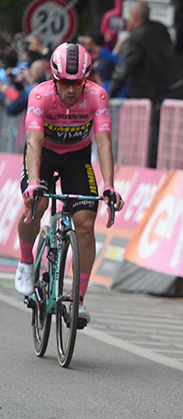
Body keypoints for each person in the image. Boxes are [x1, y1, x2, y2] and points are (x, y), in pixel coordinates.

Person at [14, 42, 124, 325]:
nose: (72, 89)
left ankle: (79, 300)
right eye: (64, 82)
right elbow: (33, 143)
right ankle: (27, 262)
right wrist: (34, 182)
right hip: (45, 156)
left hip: (77, 157)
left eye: (78, 83)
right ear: (54, 78)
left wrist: (109, 185)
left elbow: (104, 142)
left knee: (86, 226)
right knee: (35, 205)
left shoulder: (97, 96)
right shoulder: (40, 96)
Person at [108, 1, 183, 168]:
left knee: (149, 138)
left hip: (151, 96)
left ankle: (149, 171)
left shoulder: (135, 40)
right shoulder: (161, 30)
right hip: (175, 89)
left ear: (134, 18)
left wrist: (108, 97)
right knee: (171, 139)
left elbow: (122, 71)